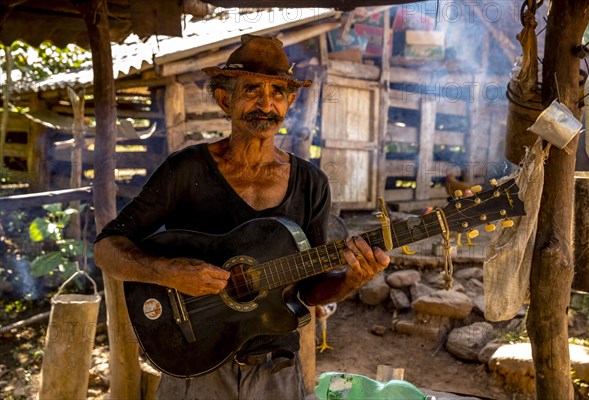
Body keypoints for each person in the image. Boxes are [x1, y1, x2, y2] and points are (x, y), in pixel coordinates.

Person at [94, 34, 390, 400]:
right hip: (195, 366)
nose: (266, 104)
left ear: (290, 103)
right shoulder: (186, 170)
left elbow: (311, 290)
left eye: (278, 93)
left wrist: (352, 280)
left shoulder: (311, 183)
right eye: (252, 90)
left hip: (276, 372)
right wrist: (168, 273)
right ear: (225, 99)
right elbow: (107, 248)